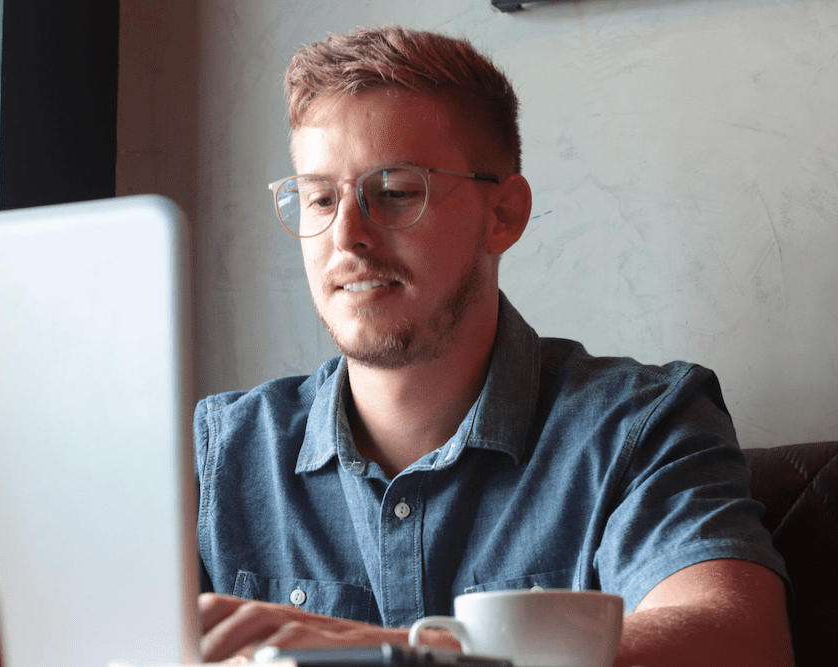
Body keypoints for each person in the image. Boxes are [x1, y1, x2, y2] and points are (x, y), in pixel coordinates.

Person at [195, 26, 794, 667]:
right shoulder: (220, 452)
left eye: (395, 191)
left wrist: (389, 655)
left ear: (503, 214)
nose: (347, 236)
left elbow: (743, 642)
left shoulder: (642, 427)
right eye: (319, 198)